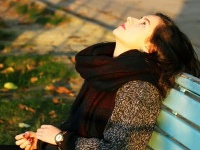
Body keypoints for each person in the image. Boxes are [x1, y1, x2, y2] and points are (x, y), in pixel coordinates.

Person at [15, 12, 200, 150]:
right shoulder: (107, 70)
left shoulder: (139, 89)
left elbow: (120, 148)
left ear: (150, 47)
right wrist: (41, 142)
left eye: (143, 24)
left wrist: (60, 139)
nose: (130, 19)